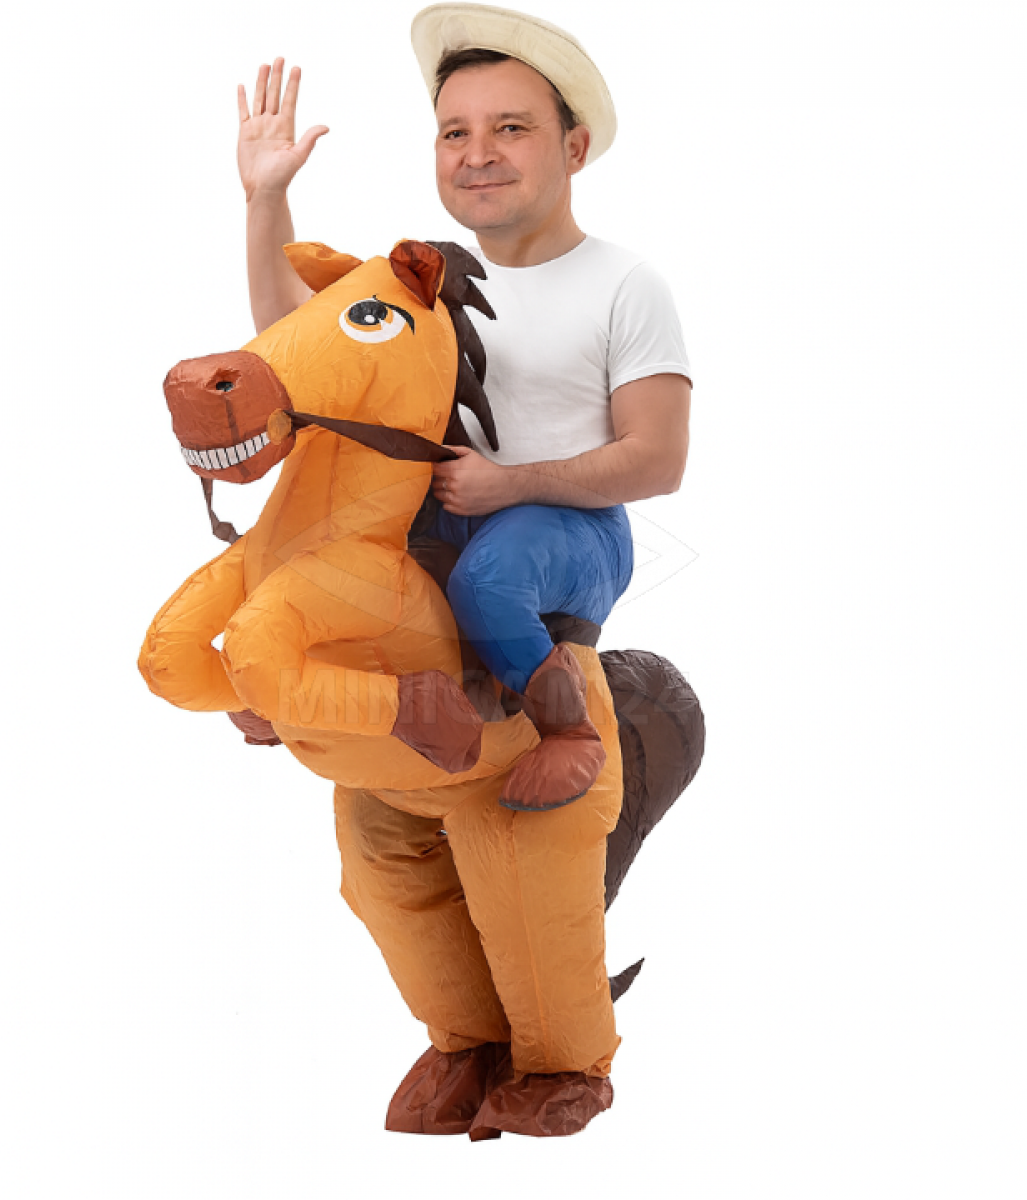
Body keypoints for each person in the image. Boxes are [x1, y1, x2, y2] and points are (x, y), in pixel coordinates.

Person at [235, 4, 694, 1136]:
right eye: (455, 132)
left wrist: (510, 481)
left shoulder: (623, 285)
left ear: (572, 146)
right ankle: (465, 1037)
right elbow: (302, 360)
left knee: (514, 806)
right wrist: (266, 202)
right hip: (438, 568)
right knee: (376, 841)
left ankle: (563, 1054)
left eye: (510, 128)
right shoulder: (425, 281)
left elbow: (658, 457)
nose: (477, 153)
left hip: (558, 547)